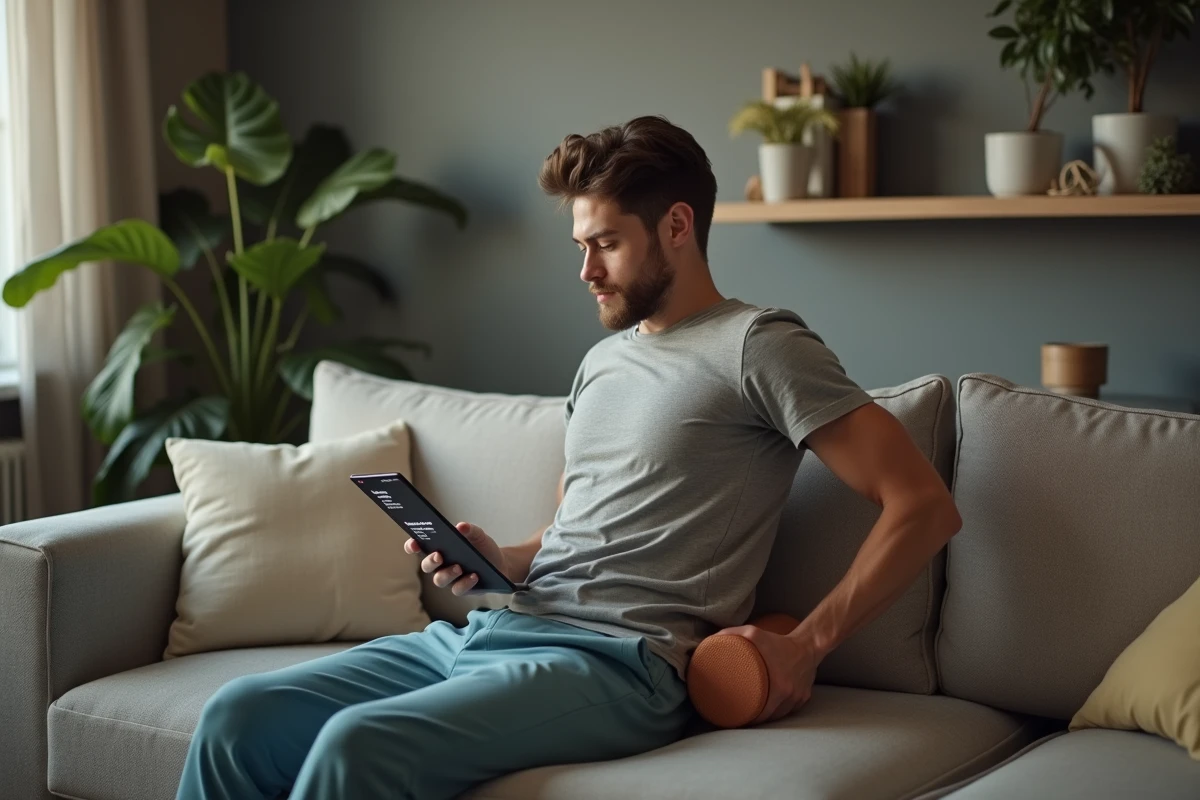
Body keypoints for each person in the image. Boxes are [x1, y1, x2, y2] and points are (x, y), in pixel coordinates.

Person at [175, 115, 962, 800]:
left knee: (359, 746)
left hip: (620, 666)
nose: (585, 271)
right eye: (581, 245)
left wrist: (806, 644)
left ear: (678, 227)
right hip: (494, 632)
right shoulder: (604, 362)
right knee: (236, 718)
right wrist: (497, 559)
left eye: (607, 244)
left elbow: (923, 506)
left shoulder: (760, 346)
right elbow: (569, 532)